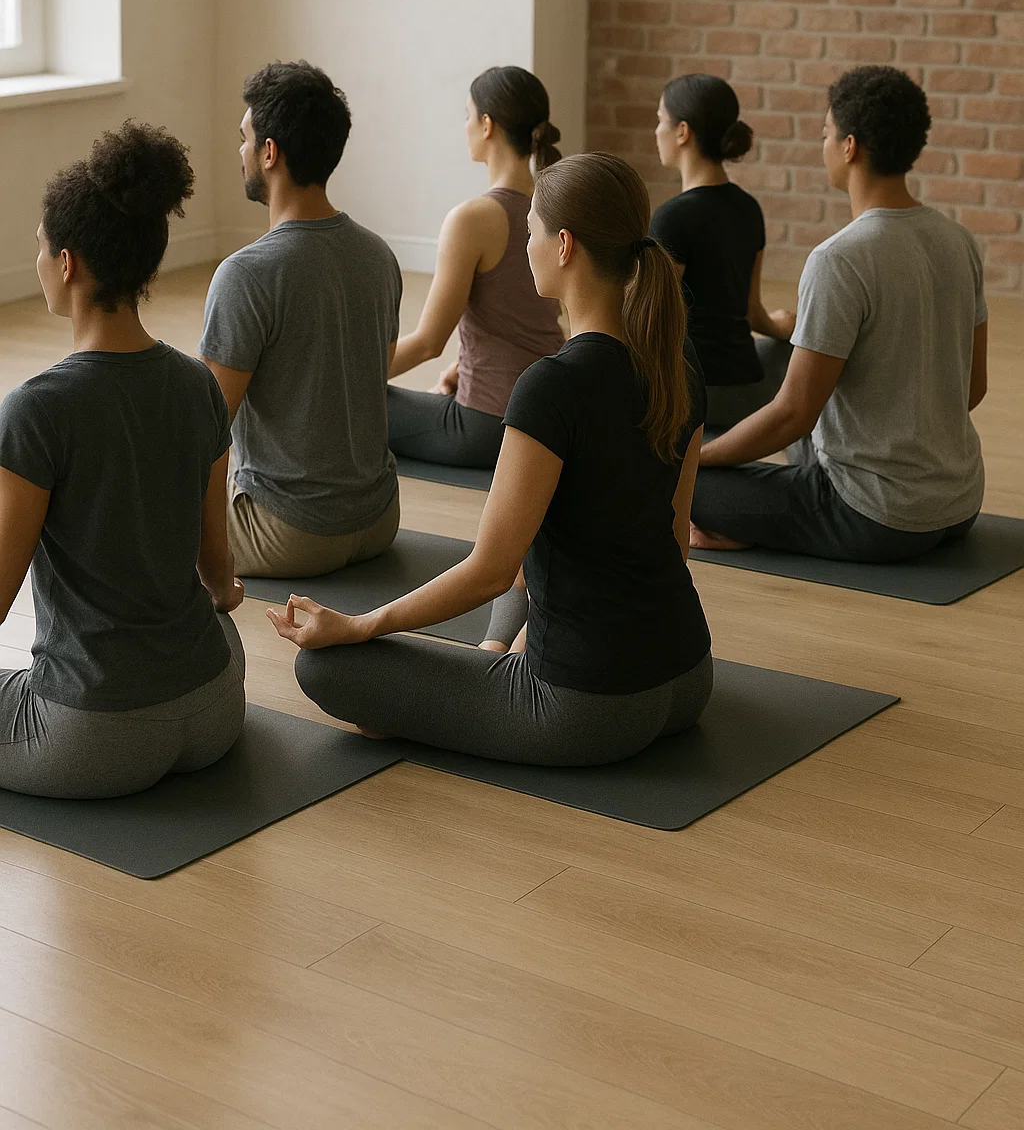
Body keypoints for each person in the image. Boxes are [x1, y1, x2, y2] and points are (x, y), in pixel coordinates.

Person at [268, 153, 713, 768]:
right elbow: (674, 540)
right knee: (540, 545)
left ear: (563, 246)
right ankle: (493, 650)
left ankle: (478, 675)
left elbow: (489, 572)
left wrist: (361, 626)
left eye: (529, 231)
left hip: (586, 709)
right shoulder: (677, 368)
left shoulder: (552, 385)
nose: (523, 246)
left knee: (327, 669)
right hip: (687, 678)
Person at [0, 123, 245, 799]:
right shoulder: (198, 384)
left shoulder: (36, 409)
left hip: (94, 738)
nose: (41, 259)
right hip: (214, 711)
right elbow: (218, 575)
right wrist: (221, 596)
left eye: (44, 248)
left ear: (69, 262)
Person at [691, 65, 988, 564]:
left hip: (876, 518)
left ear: (850, 147)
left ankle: (754, 526)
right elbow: (972, 389)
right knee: (795, 375)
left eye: (826, 134)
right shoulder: (958, 241)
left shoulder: (839, 259)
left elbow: (792, 414)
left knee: (682, 488)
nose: (823, 145)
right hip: (960, 504)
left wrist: (694, 459)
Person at [200, 61, 402, 579]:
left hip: (288, 535)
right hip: (379, 521)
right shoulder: (379, 256)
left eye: (245, 139)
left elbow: (204, 431)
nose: (240, 151)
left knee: (123, 509)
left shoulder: (245, 275)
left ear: (270, 153)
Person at [386, 66, 565, 468]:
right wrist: (462, 367)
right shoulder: (555, 209)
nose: (464, 125)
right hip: (547, 417)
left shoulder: (472, 219)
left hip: (486, 426)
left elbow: (429, 342)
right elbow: (527, 317)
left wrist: (342, 380)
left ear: (487, 124)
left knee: (342, 408)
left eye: (467, 115)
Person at [651, 73, 794, 430]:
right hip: (750, 392)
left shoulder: (672, 218)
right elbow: (752, 315)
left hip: (700, 399)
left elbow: (653, 320)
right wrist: (786, 326)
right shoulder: (749, 208)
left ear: (683, 131)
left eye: (660, 121)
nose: (656, 131)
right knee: (780, 353)